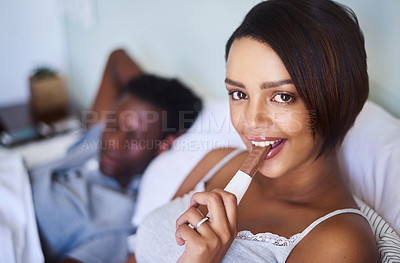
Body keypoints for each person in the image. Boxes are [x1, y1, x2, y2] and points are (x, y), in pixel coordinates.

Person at [131, 0, 379, 262]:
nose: (251, 121)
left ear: (341, 102)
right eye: (239, 93)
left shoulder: (340, 245)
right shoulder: (218, 161)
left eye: (282, 97)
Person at [29, 49, 202, 263]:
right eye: (113, 124)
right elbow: (117, 59)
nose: (114, 142)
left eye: (136, 138)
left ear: (162, 146)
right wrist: (157, 96)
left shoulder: (116, 224)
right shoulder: (97, 137)